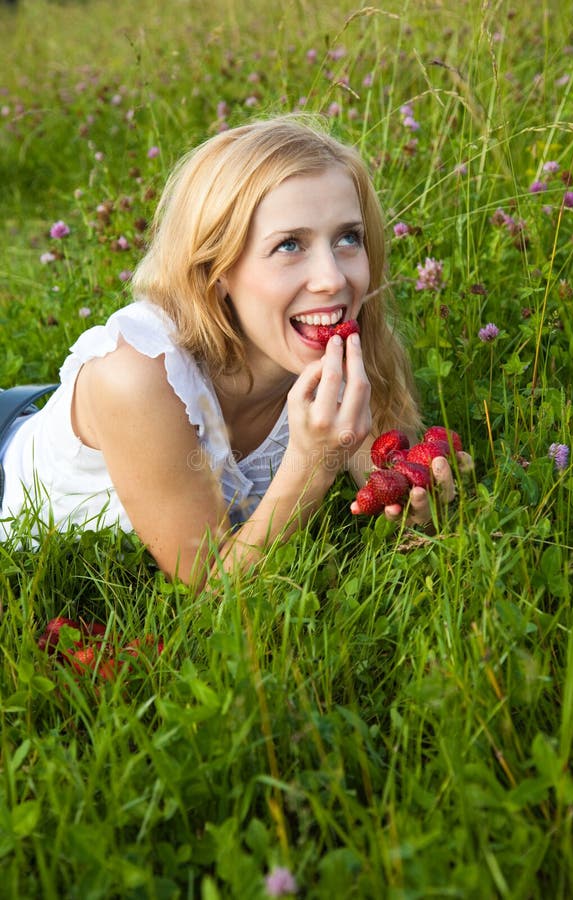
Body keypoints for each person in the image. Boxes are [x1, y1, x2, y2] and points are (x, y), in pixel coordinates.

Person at [0, 115, 470, 588]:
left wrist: (416, 498)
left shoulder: (322, 345)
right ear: (216, 268)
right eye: (289, 244)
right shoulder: (136, 376)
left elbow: (379, 473)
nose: (333, 278)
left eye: (348, 238)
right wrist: (311, 463)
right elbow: (212, 590)